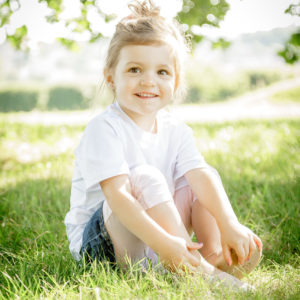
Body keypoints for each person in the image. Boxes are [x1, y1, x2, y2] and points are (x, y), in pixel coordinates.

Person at [64, 0, 262, 289]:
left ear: (176, 80)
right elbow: (118, 198)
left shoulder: (176, 129)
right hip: (104, 246)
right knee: (145, 177)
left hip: (156, 239)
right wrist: (166, 245)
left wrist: (229, 222)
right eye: (134, 70)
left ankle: (209, 258)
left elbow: (200, 175)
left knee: (202, 176)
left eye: (162, 72)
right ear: (111, 77)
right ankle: (197, 272)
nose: (148, 81)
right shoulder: (104, 128)